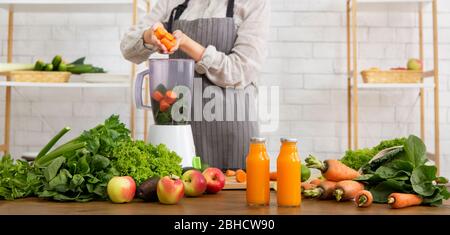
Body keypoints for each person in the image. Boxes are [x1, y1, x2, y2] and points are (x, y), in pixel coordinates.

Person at [121, 0, 270, 169]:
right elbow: (128, 47)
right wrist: (149, 36)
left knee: (235, 192)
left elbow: (240, 70)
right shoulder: (172, 3)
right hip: (179, 132)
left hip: (232, 131)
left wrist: (186, 44)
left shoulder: (252, 3)